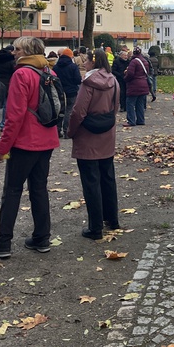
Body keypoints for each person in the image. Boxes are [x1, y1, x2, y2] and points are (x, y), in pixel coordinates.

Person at [0, 37, 60, 258]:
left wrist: (2, 148)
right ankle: (41, 238)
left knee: (12, 191)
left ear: (27, 51)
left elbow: (14, 116)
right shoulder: (50, 72)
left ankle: (3, 242)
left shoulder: (22, 74)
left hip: (25, 141)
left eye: (17, 49)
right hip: (47, 138)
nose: (13, 53)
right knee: (39, 189)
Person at [68, 49, 120, 239]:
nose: (84, 63)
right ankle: (112, 219)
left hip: (88, 137)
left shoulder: (88, 83)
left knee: (91, 183)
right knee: (108, 179)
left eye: (87, 60)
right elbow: (116, 107)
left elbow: (78, 111)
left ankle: (95, 227)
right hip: (107, 135)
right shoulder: (114, 81)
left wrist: (71, 131)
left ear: (93, 62)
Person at [53, 48, 82, 138]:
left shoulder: (56, 67)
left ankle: (57, 130)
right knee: (69, 110)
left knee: (59, 110)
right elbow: (78, 80)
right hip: (71, 91)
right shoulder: (73, 67)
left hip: (59, 91)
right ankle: (67, 131)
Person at [124, 47, 150, 126]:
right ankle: (141, 120)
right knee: (140, 104)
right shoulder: (145, 61)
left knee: (130, 103)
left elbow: (130, 74)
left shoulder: (133, 62)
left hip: (134, 85)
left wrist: (125, 78)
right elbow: (147, 72)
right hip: (144, 84)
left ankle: (131, 121)